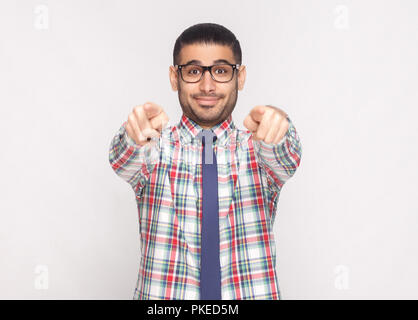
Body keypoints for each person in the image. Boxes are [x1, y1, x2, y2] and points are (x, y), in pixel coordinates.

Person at [109, 23, 302, 300]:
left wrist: (279, 126)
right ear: (175, 77)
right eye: (194, 71)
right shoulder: (154, 146)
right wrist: (134, 136)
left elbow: (287, 157)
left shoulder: (259, 148)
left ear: (241, 77)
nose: (207, 86)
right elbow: (123, 160)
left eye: (221, 71)